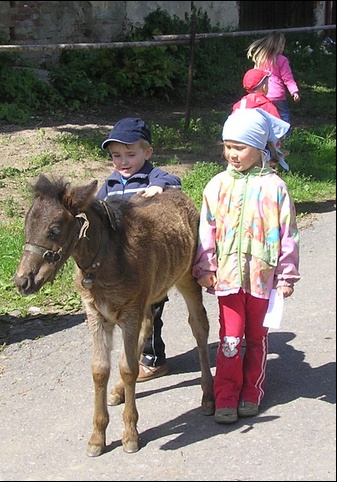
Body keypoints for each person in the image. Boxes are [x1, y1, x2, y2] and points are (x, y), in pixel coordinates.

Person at [192, 108, 300, 424]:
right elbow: (206, 230)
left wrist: (286, 274)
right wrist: (205, 267)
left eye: (240, 147)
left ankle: (251, 392)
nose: (232, 154)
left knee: (256, 338)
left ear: (260, 148)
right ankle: (225, 395)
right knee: (229, 339)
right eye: (228, 146)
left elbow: (288, 233)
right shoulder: (216, 186)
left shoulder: (275, 188)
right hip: (226, 278)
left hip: (262, 279)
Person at [98, 117, 182, 382]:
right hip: (121, 265)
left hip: (150, 263)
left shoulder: (153, 177)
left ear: (147, 153)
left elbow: (174, 181)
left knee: (152, 312)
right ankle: (130, 355)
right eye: (116, 155)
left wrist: (159, 187)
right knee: (129, 314)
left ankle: (154, 358)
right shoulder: (110, 185)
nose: (123, 162)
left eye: (130, 154)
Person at [232, 68, 290, 172]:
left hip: (239, 141)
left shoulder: (239, 105)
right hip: (260, 145)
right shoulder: (268, 106)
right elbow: (276, 131)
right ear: (264, 87)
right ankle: (269, 165)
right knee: (271, 143)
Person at [247, 31, 300, 130]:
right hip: (277, 96)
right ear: (280, 45)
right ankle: (284, 135)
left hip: (263, 94)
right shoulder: (282, 60)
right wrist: (294, 91)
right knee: (283, 116)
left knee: (266, 116)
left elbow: (255, 76)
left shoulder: (261, 58)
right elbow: (288, 78)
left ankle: (267, 135)